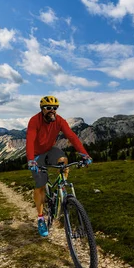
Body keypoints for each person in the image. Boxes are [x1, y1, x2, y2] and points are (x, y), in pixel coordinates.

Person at [26, 95, 92, 237]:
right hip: (37, 155)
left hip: (50, 150)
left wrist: (85, 155)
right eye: (48, 108)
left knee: (63, 159)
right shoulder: (34, 121)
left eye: (55, 108)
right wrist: (31, 160)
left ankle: (61, 186)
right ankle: (41, 218)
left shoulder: (59, 120)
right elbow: (30, 141)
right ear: (42, 109)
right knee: (40, 185)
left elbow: (72, 137)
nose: (52, 111)